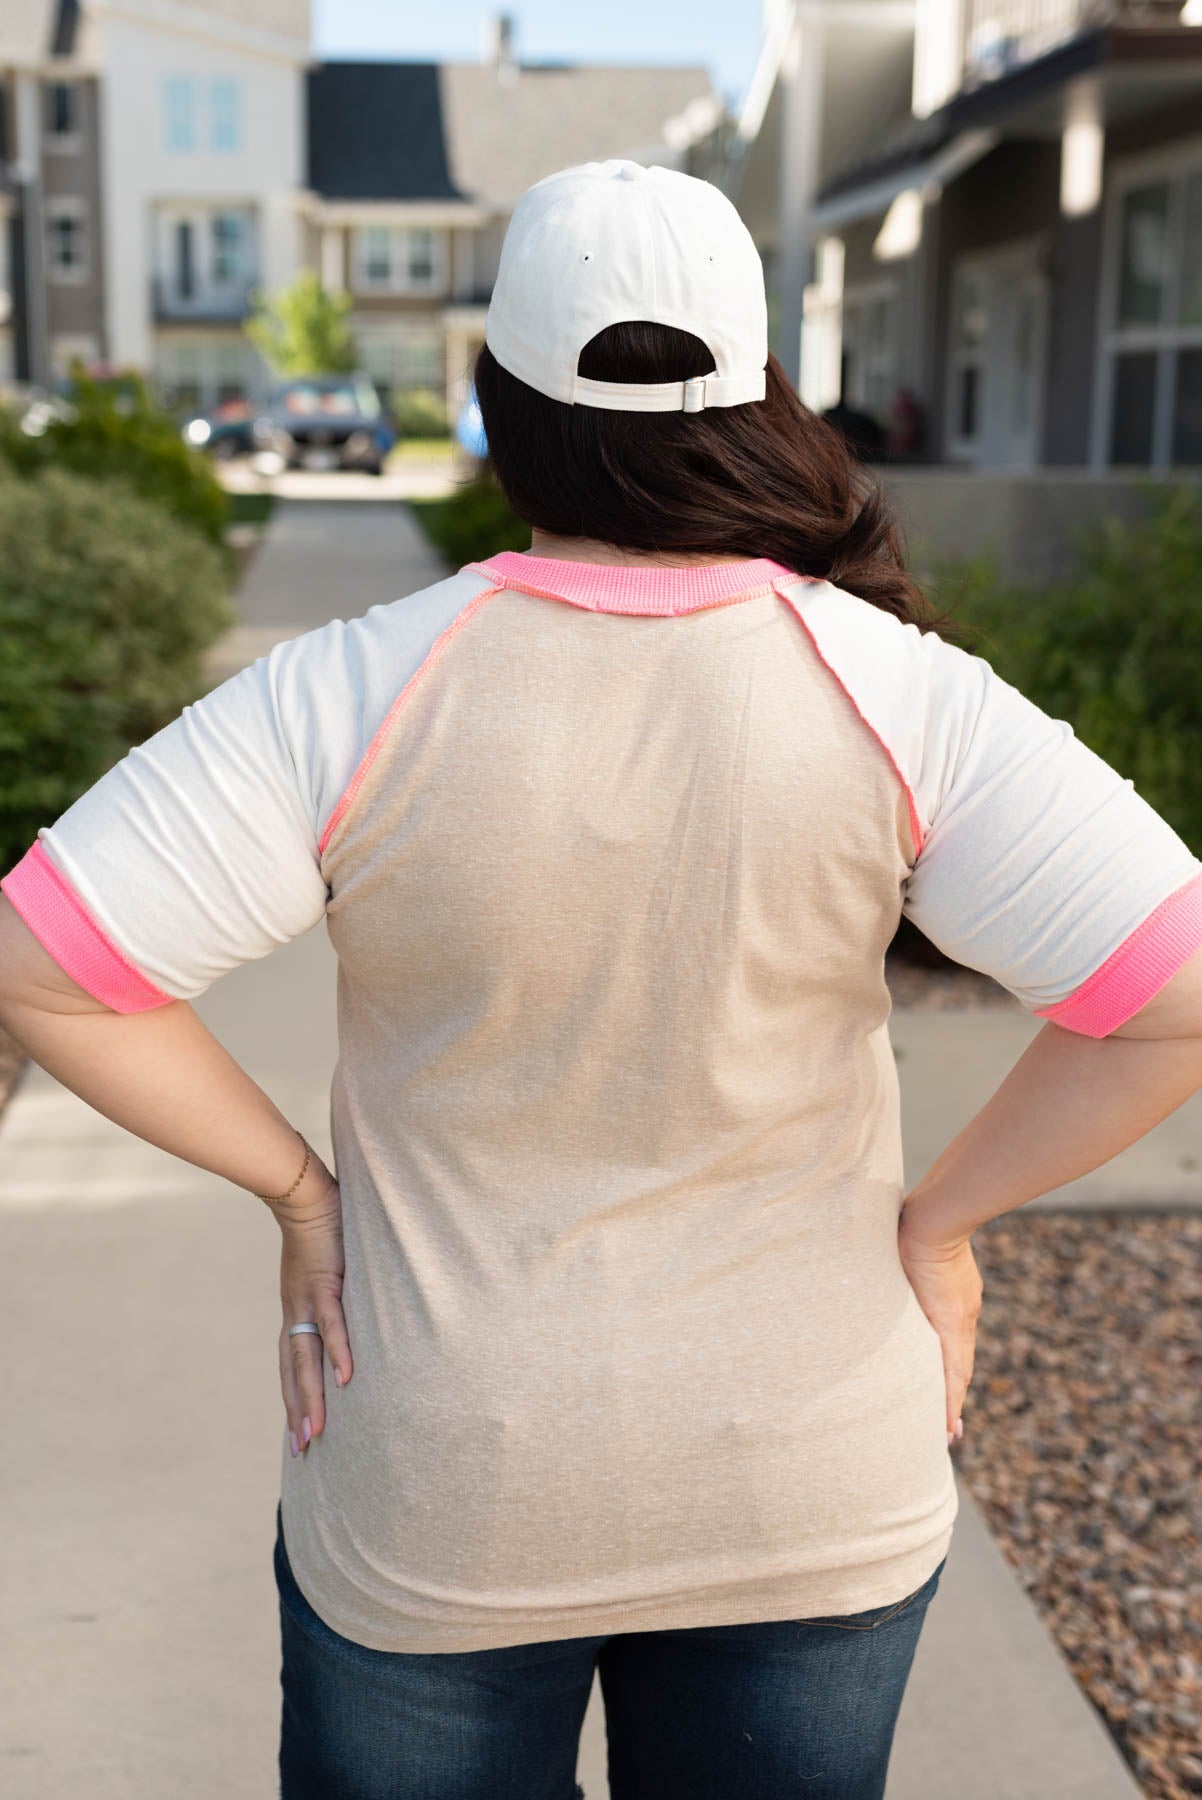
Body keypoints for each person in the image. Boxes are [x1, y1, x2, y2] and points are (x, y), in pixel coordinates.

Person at [2, 159, 1201, 1800]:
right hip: (809, 1488)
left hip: (444, 1486)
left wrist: (297, 1193)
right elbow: (1171, 990)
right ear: (762, 393)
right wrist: (940, 1227)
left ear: (498, 402)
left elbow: (46, 965)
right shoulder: (902, 693)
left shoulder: (348, 692)